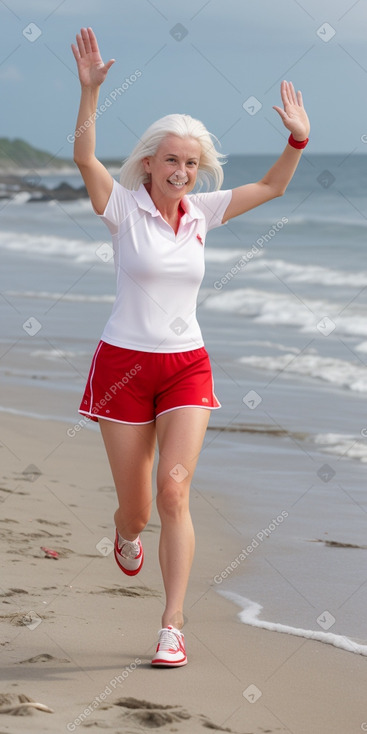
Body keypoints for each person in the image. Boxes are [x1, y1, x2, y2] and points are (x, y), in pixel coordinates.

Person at [71, 27, 310, 667]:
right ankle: (124, 534)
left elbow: (274, 188)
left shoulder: (202, 212)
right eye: (171, 160)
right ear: (149, 162)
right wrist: (90, 92)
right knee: (138, 506)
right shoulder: (122, 207)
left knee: (174, 491)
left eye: (191, 164)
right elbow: (86, 160)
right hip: (122, 367)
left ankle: (171, 625)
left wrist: (297, 139)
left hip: (186, 367)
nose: (182, 172)